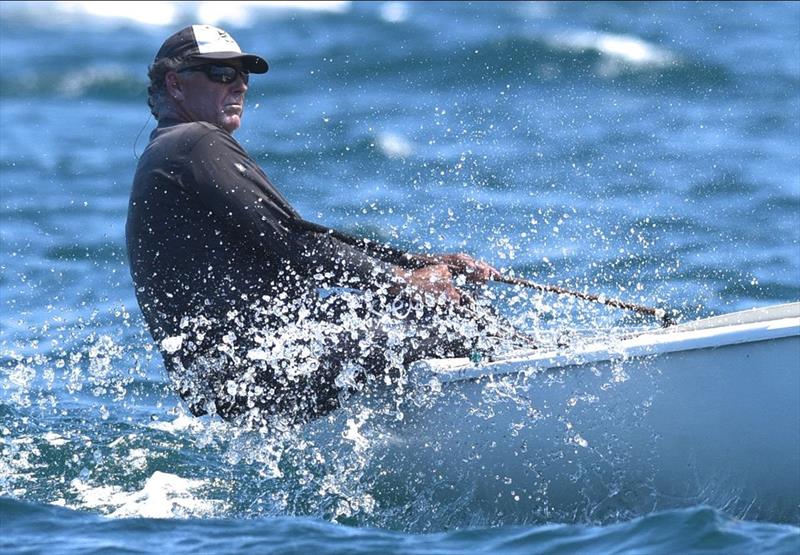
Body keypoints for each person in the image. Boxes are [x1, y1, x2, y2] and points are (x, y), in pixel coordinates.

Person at [126, 25, 518, 426]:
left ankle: (513, 368)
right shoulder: (195, 142)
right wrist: (404, 279)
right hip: (260, 369)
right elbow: (294, 242)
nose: (240, 87)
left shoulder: (169, 151)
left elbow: (291, 236)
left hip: (239, 375)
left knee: (423, 304)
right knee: (445, 317)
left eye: (243, 76)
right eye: (222, 75)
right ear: (175, 84)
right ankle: (531, 384)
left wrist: (419, 263)